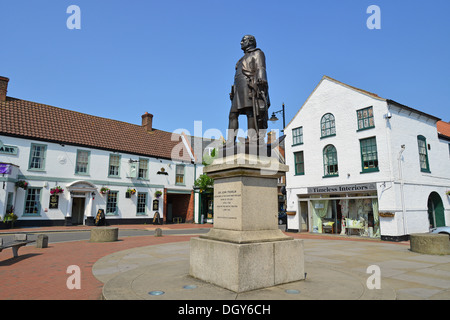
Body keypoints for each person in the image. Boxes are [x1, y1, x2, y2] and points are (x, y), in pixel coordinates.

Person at [227, 35, 270, 145]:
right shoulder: (240, 59)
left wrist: (262, 79)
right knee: (232, 114)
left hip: (249, 85)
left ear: (250, 41)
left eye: (243, 40)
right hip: (239, 89)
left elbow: (261, 67)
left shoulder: (258, 53)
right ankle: (230, 142)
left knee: (250, 112)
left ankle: (252, 140)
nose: (241, 42)